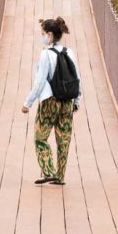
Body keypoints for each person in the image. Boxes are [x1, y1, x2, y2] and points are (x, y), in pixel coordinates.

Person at [22, 16, 82, 186]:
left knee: (40, 138)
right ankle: (60, 176)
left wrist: (28, 103)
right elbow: (77, 78)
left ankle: (48, 171)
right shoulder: (69, 52)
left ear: (49, 34)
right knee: (64, 139)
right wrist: (77, 100)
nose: (42, 37)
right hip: (67, 102)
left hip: (50, 102)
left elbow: (40, 82)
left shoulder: (46, 55)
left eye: (43, 33)